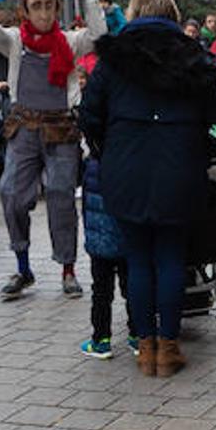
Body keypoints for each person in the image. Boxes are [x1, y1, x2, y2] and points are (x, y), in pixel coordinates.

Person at [79, 0, 216, 379]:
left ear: (134, 11)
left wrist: (111, 147)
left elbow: (89, 113)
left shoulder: (113, 57)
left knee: (138, 258)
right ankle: (170, 346)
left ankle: (145, 350)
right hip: (180, 169)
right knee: (172, 257)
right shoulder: (194, 55)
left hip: (126, 169)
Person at [0, 0, 105, 300]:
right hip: (24, 129)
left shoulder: (71, 41)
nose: (44, 13)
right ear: (24, 12)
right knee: (12, 194)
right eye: (37, 7)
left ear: (57, 11)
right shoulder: (14, 40)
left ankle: (68, 269)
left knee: (61, 197)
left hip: (61, 131)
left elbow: (99, 33)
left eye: (49, 6)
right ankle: (23, 267)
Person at [78, 152, 137, 360]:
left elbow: (86, 208)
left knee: (101, 291)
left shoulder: (92, 167)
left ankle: (101, 340)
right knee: (132, 286)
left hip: (100, 244)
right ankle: (137, 335)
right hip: (127, 240)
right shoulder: (130, 161)